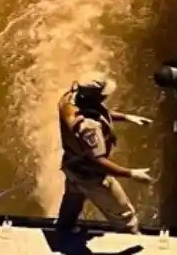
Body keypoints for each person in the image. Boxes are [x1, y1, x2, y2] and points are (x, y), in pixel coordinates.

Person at [56, 74, 154, 234]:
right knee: (125, 215)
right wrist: (131, 173)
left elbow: (96, 112)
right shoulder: (89, 128)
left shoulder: (70, 99)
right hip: (90, 175)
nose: (106, 95)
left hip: (73, 167)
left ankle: (64, 230)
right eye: (103, 94)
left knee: (73, 200)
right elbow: (97, 161)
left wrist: (126, 117)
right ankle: (132, 236)